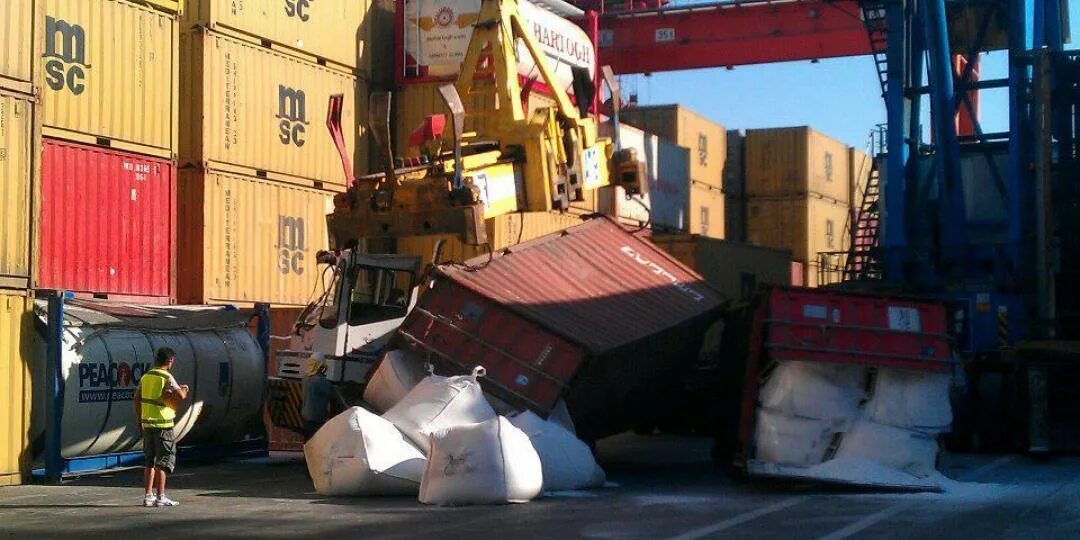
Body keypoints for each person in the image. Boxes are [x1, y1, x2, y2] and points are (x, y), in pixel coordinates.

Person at [133, 347, 188, 508]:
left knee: (149, 461)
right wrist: (184, 388)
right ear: (170, 361)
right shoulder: (166, 377)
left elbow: (137, 399)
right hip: (163, 425)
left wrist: (140, 419)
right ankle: (161, 496)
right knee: (163, 461)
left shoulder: (146, 376)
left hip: (148, 424)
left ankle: (148, 496)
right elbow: (181, 396)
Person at [301, 353, 337, 441]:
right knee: (316, 440)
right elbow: (332, 393)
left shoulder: (305, 378)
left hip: (305, 415)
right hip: (317, 418)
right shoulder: (319, 380)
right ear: (320, 366)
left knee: (307, 440)